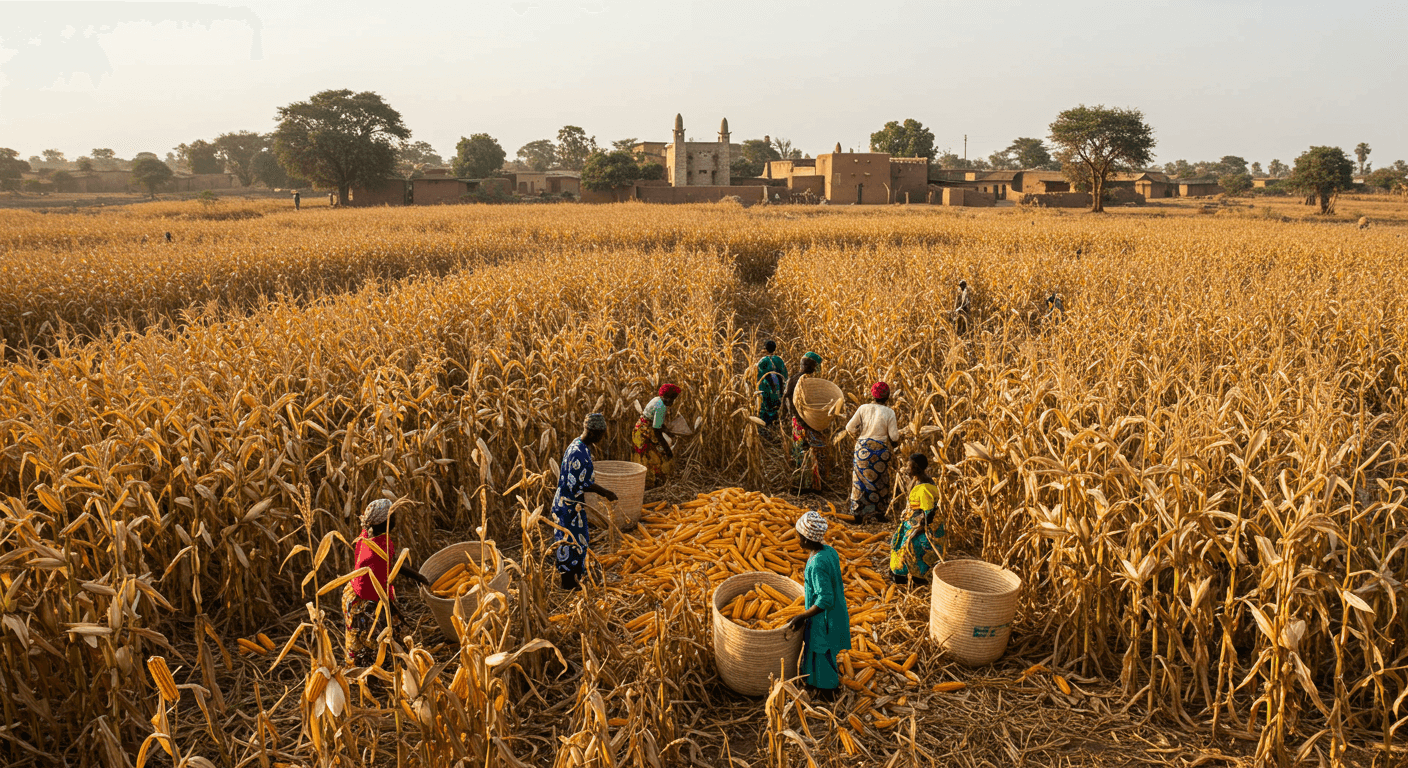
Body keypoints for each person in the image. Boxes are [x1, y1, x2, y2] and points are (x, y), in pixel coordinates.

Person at [343, 498, 431, 667]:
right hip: (367, 602)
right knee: (373, 644)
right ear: (385, 522)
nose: (397, 520)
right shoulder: (379, 548)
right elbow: (385, 573)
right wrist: (418, 578)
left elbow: (392, 562)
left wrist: (417, 576)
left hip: (356, 592)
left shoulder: (368, 535)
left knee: (368, 641)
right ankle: (375, 680)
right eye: (394, 517)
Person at [787, 511, 850, 701]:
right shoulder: (829, 551)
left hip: (824, 618)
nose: (796, 538)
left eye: (798, 535)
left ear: (806, 539)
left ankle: (829, 693)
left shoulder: (817, 564)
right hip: (833, 613)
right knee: (815, 651)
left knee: (821, 652)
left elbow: (825, 598)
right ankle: (814, 681)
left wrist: (802, 616)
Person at [553, 413, 619, 590]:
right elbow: (579, 483)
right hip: (569, 505)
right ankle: (568, 584)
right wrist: (605, 492)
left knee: (577, 541)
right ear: (594, 433)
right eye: (602, 434)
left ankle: (574, 578)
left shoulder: (579, 444)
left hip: (572, 502)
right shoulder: (578, 453)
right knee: (570, 541)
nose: (603, 438)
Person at [845, 382, 901, 522]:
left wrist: (858, 439)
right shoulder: (889, 412)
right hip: (879, 451)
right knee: (879, 482)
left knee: (859, 481)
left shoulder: (863, 408)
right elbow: (894, 436)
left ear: (872, 395)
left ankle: (858, 514)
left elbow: (849, 427)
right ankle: (877, 514)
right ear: (887, 396)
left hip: (862, 448)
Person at [889, 454, 945, 585]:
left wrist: (917, 530)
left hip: (925, 525)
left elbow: (928, 513)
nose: (907, 468)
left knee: (907, 545)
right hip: (916, 521)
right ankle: (903, 573)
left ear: (916, 468)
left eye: (909, 466)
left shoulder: (924, 488)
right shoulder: (920, 481)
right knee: (897, 539)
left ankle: (912, 576)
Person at [785, 352, 829, 493]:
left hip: (796, 422)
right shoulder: (807, 381)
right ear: (813, 367)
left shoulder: (792, 379)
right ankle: (814, 486)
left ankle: (800, 484)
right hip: (807, 422)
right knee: (816, 450)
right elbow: (811, 404)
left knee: (800, 452)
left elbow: (786, 400)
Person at [631, 384, 681, 488]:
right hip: (645, 433)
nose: (673, 402)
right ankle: (651, 484)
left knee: (643, 456)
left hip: (640, 428)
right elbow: (657, 430)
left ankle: (642, 482)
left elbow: (657, 422)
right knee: (656, 456)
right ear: (668, 397)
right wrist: (667, 450)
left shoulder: (657, 399)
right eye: (673, 399)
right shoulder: (661, 407)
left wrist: (667, 431)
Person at [756, 341, 789, 428]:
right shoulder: (779, 360)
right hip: (778, 384)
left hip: (766, 386)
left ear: (765, 349)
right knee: (778, 400)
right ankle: (777, 420)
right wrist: (782, 386)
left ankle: (767, 423)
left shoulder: (762, 361)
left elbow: (760, 376)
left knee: (767, 402)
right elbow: (784, 375)